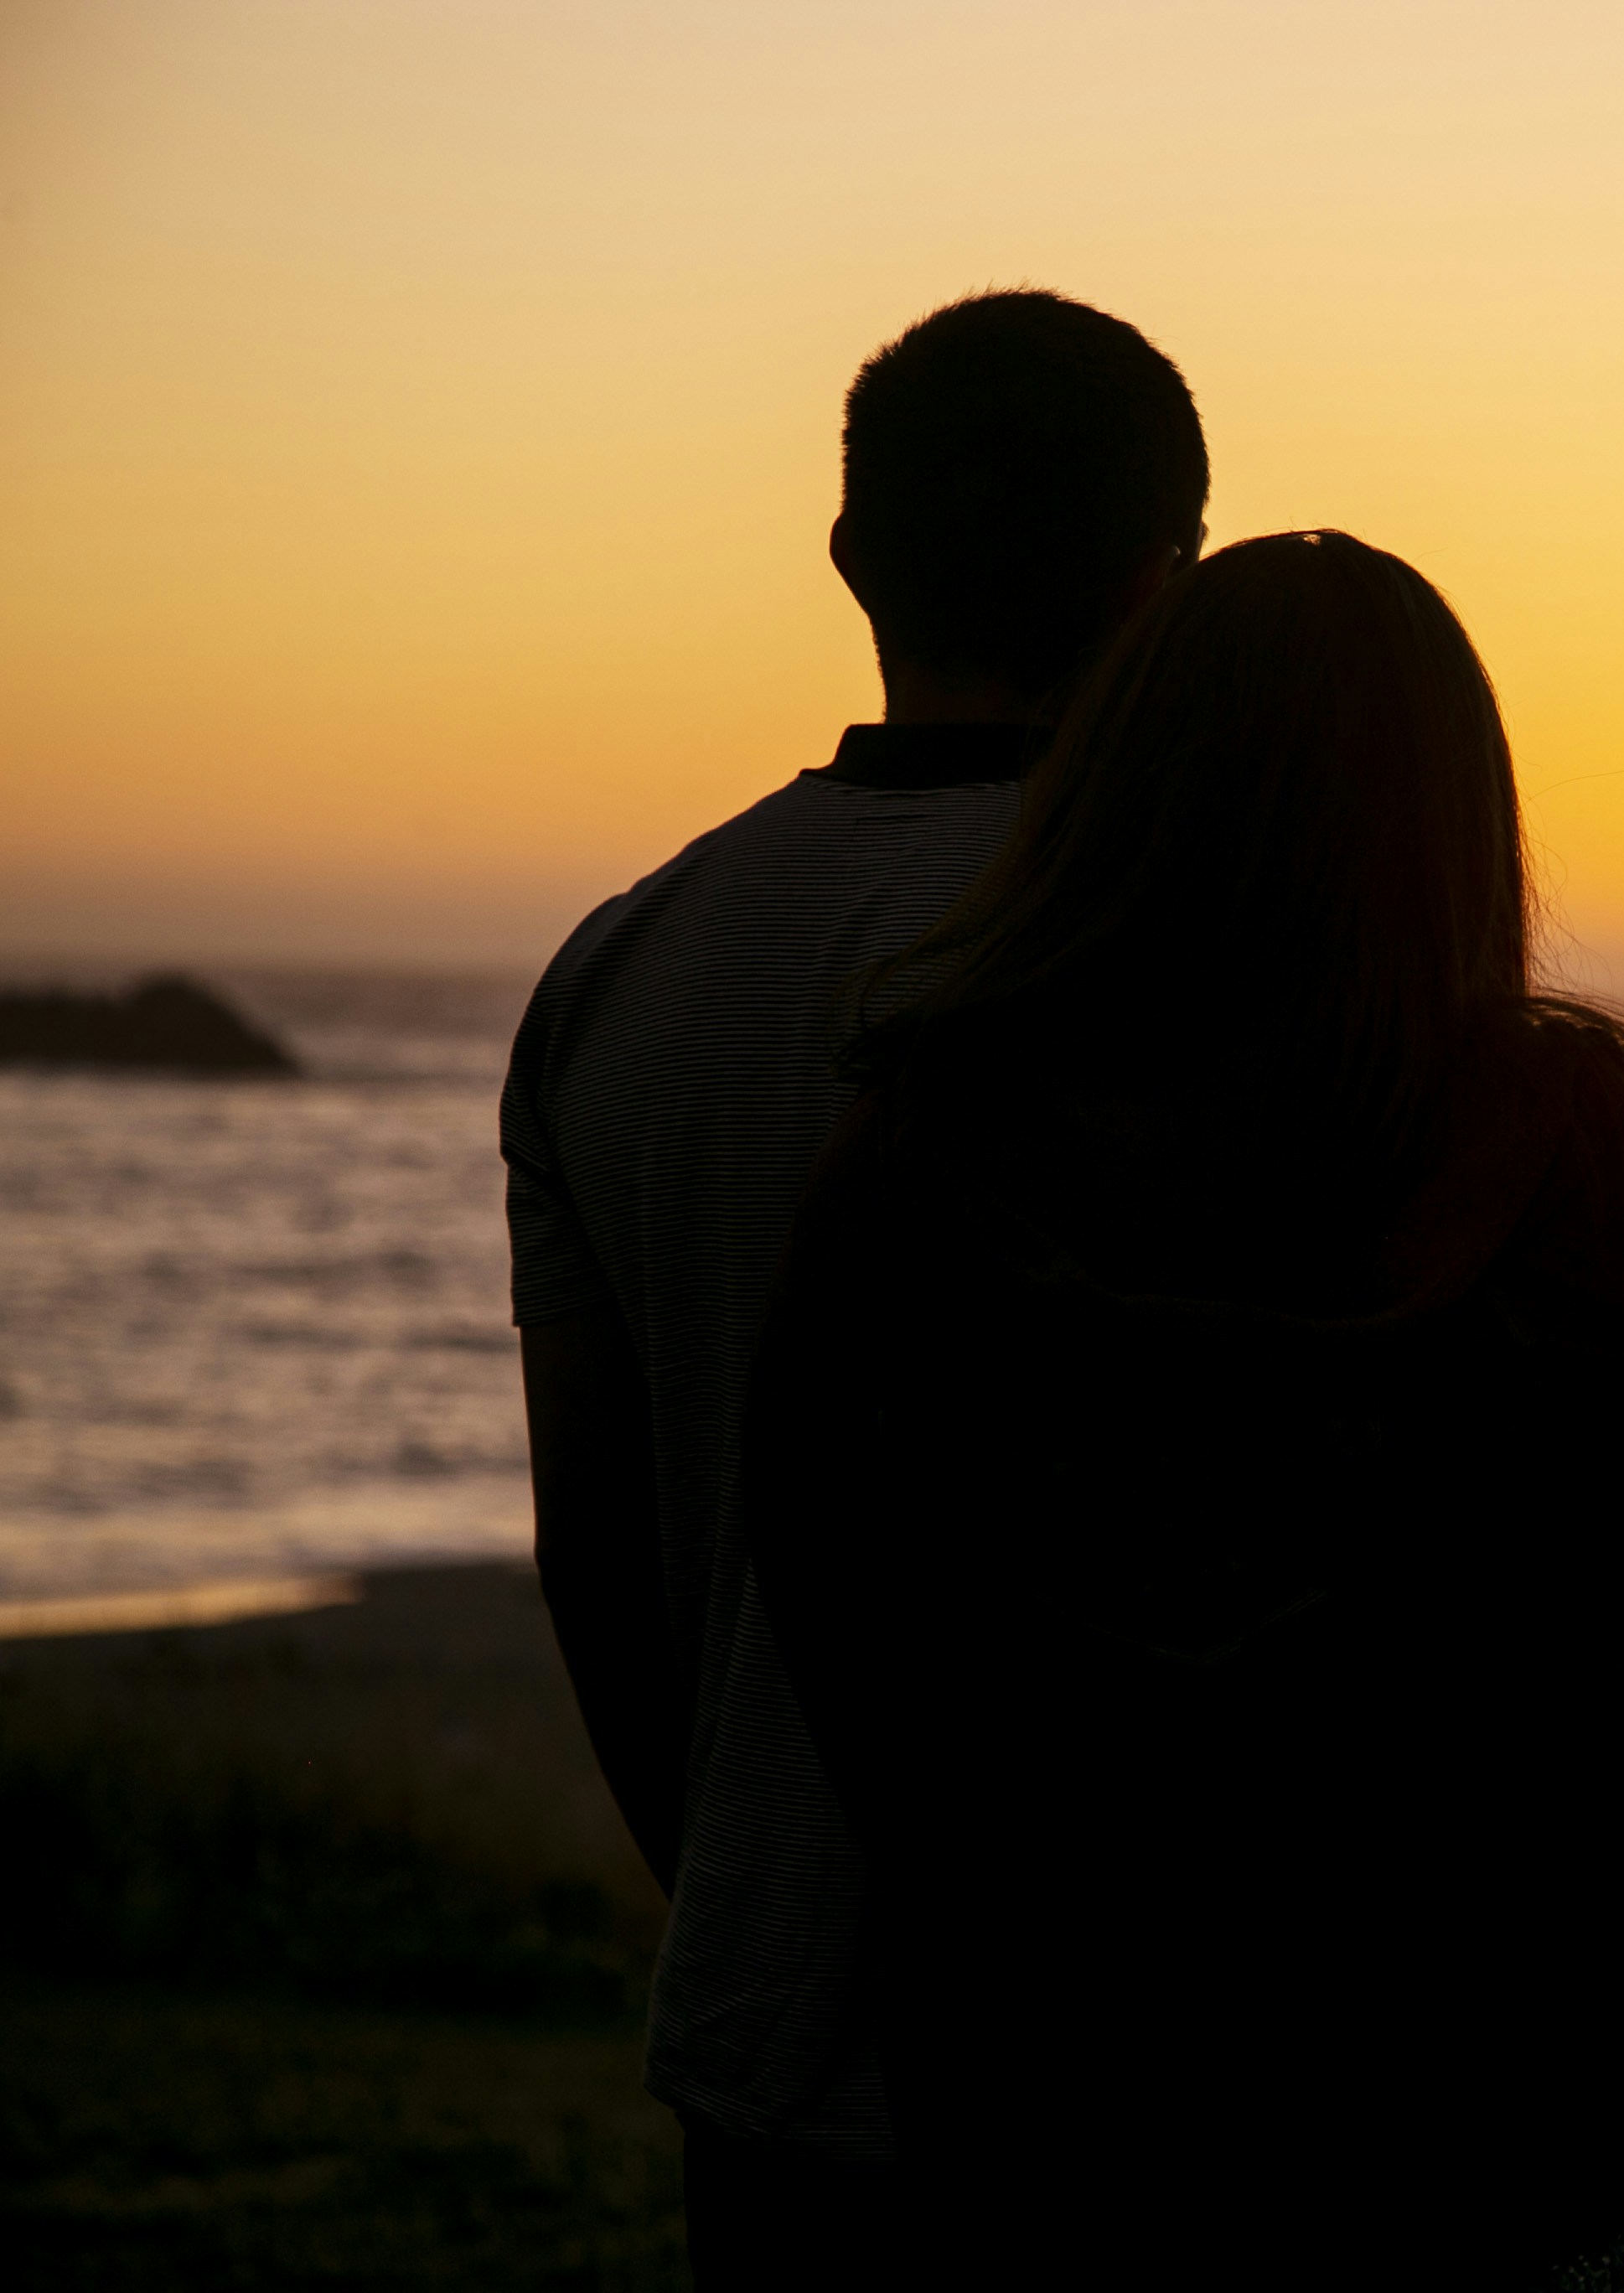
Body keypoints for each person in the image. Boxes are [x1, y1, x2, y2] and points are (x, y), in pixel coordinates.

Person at [737, 531, 1624, 2285]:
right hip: (1594, 2134)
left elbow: (866, 1690)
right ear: (1464, 815)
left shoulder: (917, 1172)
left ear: (1117, 788)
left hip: (1085, 2150)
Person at [502, 290, 1207, 2283]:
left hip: (769, 2048)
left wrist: (736, 1877)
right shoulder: (1191, 948)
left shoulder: (613, 973)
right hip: (1167, 2053)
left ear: (849, 558)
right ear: (1171, 587)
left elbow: (599, 1547)